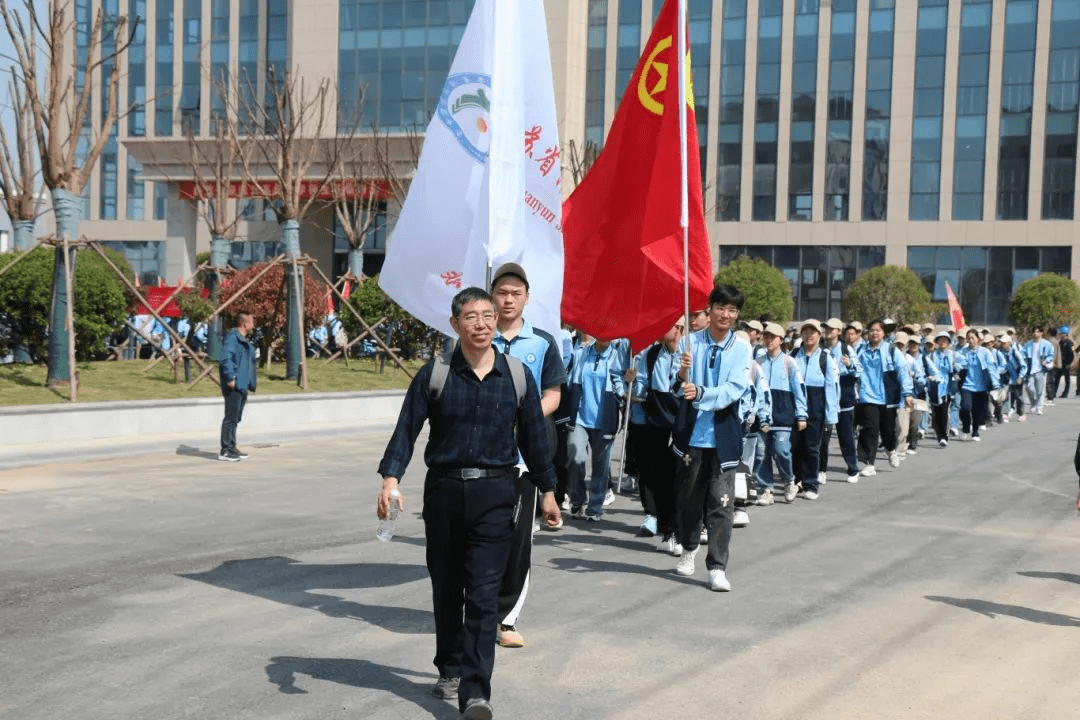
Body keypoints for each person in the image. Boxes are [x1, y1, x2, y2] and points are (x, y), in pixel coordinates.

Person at [376, 286, 560, 720]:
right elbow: (406, 430)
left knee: (482, 594)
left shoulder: (517, 375)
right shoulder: (435, 373)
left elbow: (534, 439)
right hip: (443, 492)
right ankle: (450, 666)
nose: (482, 323)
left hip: (497, 494)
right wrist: (390, 480)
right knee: (447, 588)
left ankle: (476, 693)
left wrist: (549, 491)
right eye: (471, 317)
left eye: (488, 315)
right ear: (455, 324)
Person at [489, 263, 566, 650]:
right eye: (501, 291)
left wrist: (527, 413)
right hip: (483, 456)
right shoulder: (478, 338)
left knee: (518, 538)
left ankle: (505, 618)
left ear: (526, 298)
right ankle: (478, 608)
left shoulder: (542, 342)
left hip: (526, 457)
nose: (508, 299)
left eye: (515, 293)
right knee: (482, 535)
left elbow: (554, 394)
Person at [671, 284, 751, 592]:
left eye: (732, 310)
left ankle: (717, 566)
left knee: (722, 501)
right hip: (692, 434)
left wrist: (702, 392)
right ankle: (689, 547)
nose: (726, 315)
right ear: (709, 309)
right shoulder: (690, 343)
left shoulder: (742, 349)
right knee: (689, 499)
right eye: (721, 308)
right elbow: (673, 388)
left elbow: (734, 389)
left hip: (724, 435)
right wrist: (681, 373)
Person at [627, 320, 684, 554]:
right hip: (656, 422)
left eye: (667, 324)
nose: (659, 329)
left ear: (679, 329)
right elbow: (640, 389)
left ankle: (686, 529)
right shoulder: (650, 354)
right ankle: (667, 530)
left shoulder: (690, 353)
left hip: (683, 422)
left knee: (683, 478)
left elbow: (685, 389)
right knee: (659, 477)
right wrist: (630, 382)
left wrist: (682, 375)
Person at [562, 335, 625, 521]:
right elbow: (570, 377)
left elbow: (622, 385)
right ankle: (577, 499)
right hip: (580, 417)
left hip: (605, 419)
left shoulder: (618, 355)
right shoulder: (581, 352)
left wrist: (626, 386)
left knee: (601, 465)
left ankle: (595, 507)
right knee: (575, 457)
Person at [756, 322, 806, 503]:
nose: (768, 340)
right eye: (766, 336)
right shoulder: (758, 362)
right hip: (762, 416)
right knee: (761, 452)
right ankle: (765, 489)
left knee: (781, 450)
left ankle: (789, 481)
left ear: (781, 340)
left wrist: (801, 414)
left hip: (783, 416)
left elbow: (799, 389)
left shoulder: (789, 362)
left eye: (772, 337)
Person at [855, 320, 913, 476]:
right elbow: (855, 368)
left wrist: (907, 393)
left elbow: (903, 371)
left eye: (878, 330)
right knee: (870, 429)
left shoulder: (892, 350)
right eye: (872, 330)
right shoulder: (861, 349)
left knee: (888, 430)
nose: (874, 333)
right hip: (868, 396)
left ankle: (891, 449)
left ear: (884, 333)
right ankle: (869, 463)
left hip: (888, 396)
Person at [792, 320, 838, 500]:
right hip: (796, 407)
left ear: (819, 335)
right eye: (806, 332)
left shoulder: (825, 358)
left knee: (812, 448)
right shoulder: (794, 354)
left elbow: (830, 388)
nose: (809, 335)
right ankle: (797, 480)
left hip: (816, 407)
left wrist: (830, 416)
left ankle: (811, 483)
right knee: (795, 447)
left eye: (813, 332)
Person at [218, 311, 257, 462]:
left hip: (242, 383)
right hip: (234, 384)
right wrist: (230, 378)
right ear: (244, 324)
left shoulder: (242, 339)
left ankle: (232, 447)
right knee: (230, 417)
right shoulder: (232, 338)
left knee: (236, 417)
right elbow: (226, 358)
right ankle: (225, 450)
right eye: (251, 322)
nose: (253, 325)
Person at [955, 327, 1000, 441]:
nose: (970, 340)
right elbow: (957, 364)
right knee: (965, 407)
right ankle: (965, 428)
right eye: (968, 338)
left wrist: (995, 385)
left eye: (972, 338)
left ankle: (975, 432)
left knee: (978, 411)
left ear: (978, 340)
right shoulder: (962, 352)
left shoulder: (985, 352)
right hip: (967, 385)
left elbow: (992, 368)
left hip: (981, 386)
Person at [925, 331, 956, 446]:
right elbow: (926, 370)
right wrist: (929, 377)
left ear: (948, 342)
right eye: (940, 339)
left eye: (945, 340)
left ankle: (943, 437)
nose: (943, 342)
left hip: (947, 387)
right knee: (936, 413)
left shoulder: (953, 355)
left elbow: (962, 364)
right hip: (934, 387)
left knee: (944, 411)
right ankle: (939, 434)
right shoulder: (931, 356)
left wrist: (958, 370)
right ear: (937, 342)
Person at [1023, 326, 1055, 415]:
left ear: (1041, 333)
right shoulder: (1028, 344)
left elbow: (1051, 355)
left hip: (1041, 370)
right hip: (1030, 370)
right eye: (1033, 332)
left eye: (1037, 332)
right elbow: (1023, 353)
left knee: (1040, 390)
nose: (1035, 334)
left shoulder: (1047, 344)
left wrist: (1046, 361)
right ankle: (1033, 403)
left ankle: (1039, 407)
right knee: (1029, 388)